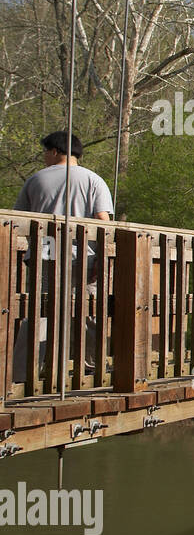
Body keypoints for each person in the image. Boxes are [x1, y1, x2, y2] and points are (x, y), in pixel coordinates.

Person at [12, 131, 115, 379]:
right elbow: (103, 221)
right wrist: (103, 259)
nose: (45, 157)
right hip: (84, 257)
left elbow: (18, 222)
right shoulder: (94, 180)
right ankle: (91, 366)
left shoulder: (36, 181)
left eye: (46, 151)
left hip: (45, 255)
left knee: (40, 311)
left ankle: (23, 372)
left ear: (56, 151)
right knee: (89, 310)